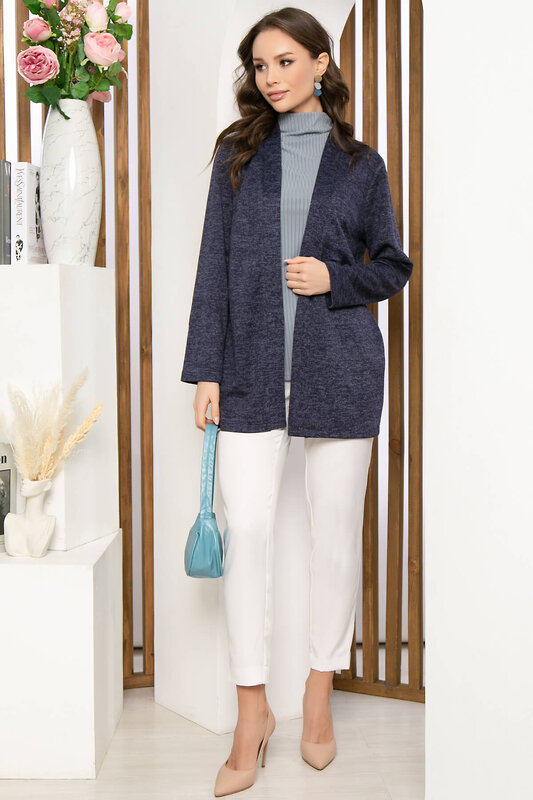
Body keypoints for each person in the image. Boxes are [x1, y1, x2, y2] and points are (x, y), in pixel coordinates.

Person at [180, 8, 414, 797]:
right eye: (259, 65)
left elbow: (393, 265)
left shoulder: (361, 164)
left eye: (285, 60)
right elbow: (212, 262)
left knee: (333, 537)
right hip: (246, 371)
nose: (271, 76)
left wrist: (333, 278)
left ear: (320, 62)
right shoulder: (238, 154)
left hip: (340, 370)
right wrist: (205, 370)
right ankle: (252, 711)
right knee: (245, 530)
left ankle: (318, 694)